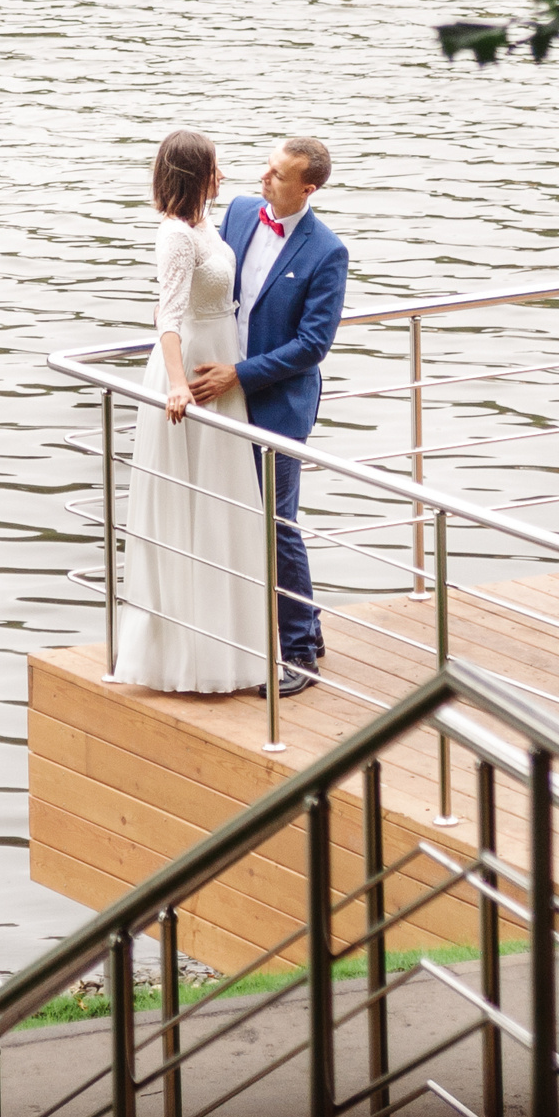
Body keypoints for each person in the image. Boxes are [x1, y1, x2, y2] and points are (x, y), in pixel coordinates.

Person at [110, 130, 270, 694]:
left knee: (223, 509)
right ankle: (183, 658)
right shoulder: (176, 236)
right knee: (189, 508)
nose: (223, 176)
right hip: (196, 371)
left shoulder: (207, 225)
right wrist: (178, 385)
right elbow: (168, 318)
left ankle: (228, 649)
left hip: (222, 365)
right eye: (214, 168)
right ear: (194, 175)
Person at [189, 137, 348, 698]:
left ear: (307, 189)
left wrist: (241, 373)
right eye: (268, 167)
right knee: (234, 517)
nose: (264, 178)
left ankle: (300, 651)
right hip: (222, 400)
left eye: (279, 175)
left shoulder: (327, 252)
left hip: (277, 407)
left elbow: (312, 345)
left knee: (276, 526)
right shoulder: (236, 212)